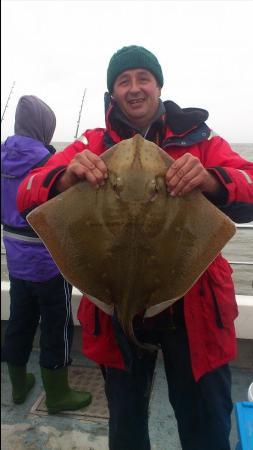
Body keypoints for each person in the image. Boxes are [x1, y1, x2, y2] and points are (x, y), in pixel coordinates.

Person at [17, 47, 253, 449]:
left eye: (143, 77)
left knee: (206, 428)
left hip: (194, 310)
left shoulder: (201, 142)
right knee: (125, 428)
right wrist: (64, 178)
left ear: (159, 86)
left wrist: (213, 180)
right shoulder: (92, 144)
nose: (134, 87)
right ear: (113, 94)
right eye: (123, 81)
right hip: (113, 309)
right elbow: (26, 193)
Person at [1, 95, 91, 414]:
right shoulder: (49, 163)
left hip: (16, 262)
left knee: (20, 322)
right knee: (56, 326)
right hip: (50, 263)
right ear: (44, 127)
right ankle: (57, 393)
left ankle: (17, 385)